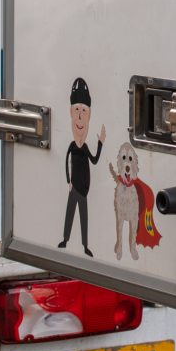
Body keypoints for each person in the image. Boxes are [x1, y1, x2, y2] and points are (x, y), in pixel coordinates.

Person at [58, 77, 106, 257]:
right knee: (69, 214)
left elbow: (94, 160)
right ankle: (65, 239)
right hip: (74, 187)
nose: (79, 115)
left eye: (83, 111)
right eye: (77, 110)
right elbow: (65, 162)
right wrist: (68, 181)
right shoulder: (72, 145)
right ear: (71, 112)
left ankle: (86, 245)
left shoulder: (85, 147)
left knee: (83, 217)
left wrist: (100, 143)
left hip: (84, 188)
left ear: (89, 115)